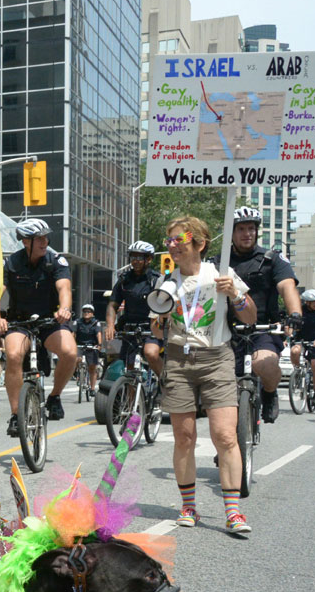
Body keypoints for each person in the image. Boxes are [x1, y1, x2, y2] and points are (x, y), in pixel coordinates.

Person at [158, 217, 256, 534]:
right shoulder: (166, 281)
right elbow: (155, 327)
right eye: (169, 240)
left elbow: (250, 315)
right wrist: (159, 318)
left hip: (217, 358)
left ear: (198, 243)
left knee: (225, 436)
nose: (172, 245)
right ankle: (189, 507)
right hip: (178, 358)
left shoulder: (220, 274)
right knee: (184, 438)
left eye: (178, 239)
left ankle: (233, 513)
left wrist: (237, 296)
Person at [0, 218, 77, 434]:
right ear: (25, 241)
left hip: (50, 320)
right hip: (20, 321)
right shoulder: (11, 263)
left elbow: (64, 288)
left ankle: (54, 397)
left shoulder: (55, 261)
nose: (45, 242)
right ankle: (15, 415)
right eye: (39, 238)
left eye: (46, 237)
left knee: (70, 353)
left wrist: (65, 308)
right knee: (13, 356)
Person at [227, 206, 300, 423]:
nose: (247, 233)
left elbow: (288, 287)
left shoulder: (272, 259)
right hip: (227, 330)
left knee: (264, 365)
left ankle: (269, 393)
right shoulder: (219, 261)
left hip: (264, 329)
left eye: (251, 228)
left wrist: (295, 313)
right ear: (231, 232)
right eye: (241, 229)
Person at [105, 240, 163, 375]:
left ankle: (165, 384)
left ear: (148, 259)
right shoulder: (124, 280)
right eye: (132, 257)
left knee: (151, 353)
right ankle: (131, 396)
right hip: (130, 328)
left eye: (139, 257)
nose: (135, 261)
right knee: (128, 368)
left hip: (151, 327)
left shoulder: (157, 280)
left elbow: (164, 306)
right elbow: (112, 305)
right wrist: (110, 326)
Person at [290, 289, 315, 404]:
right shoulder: (300, 309)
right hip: (301, 338)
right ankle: (297, 371)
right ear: (307, 302)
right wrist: (288, 335)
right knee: (294, 351)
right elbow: (291, 324)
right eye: (314, 302)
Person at [73, 304, 103, 393]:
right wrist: (71, 343)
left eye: (88, 312)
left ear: (92, 313)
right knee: (77, 359)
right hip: (79, 345)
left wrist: (99, 344)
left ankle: (92, 389)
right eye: (84, 311)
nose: (86, 313)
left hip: (92, 346)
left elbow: (98, 334)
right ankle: (77, 372)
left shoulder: (96, 323)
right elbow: (73, 333)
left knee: (92, 368)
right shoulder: (77, 322)